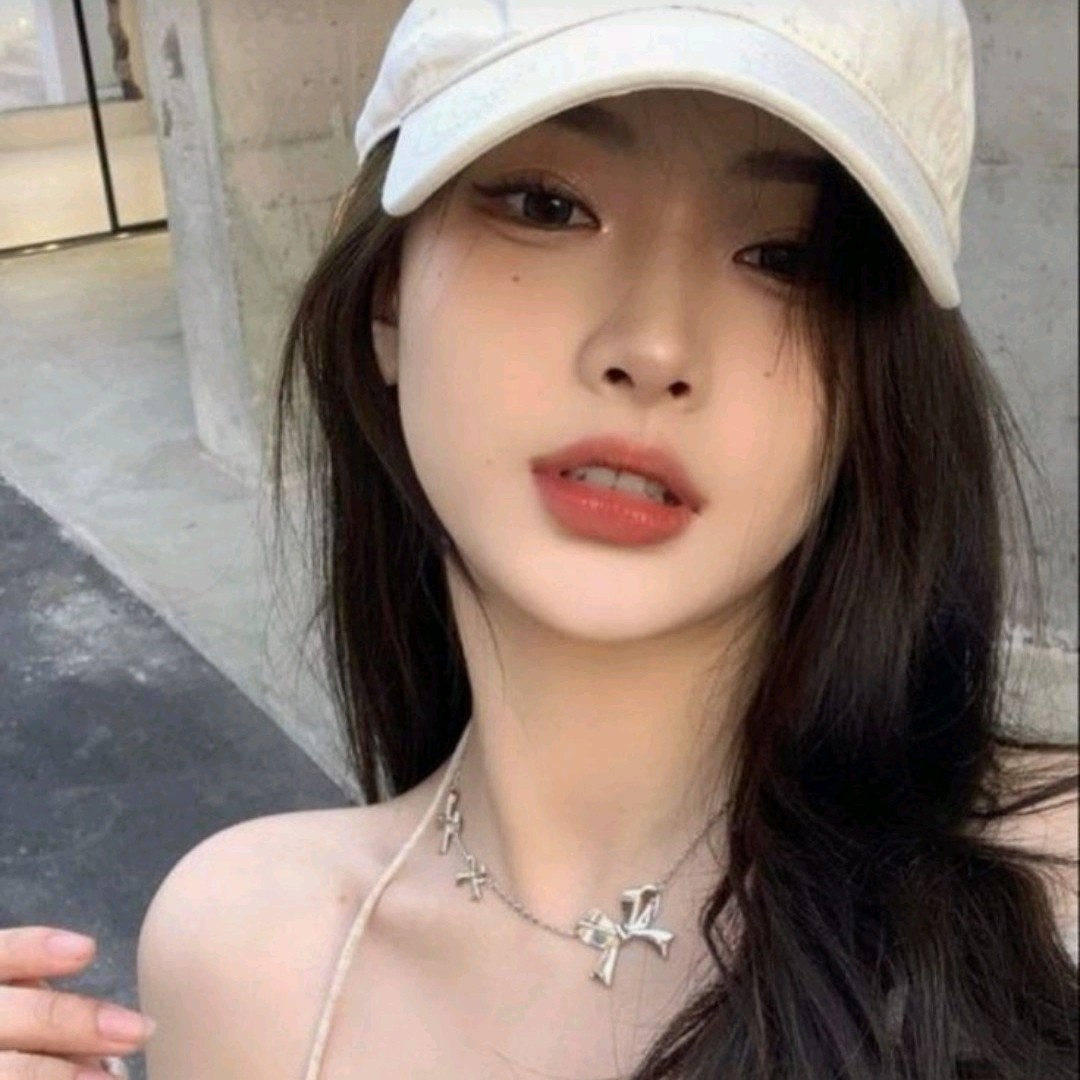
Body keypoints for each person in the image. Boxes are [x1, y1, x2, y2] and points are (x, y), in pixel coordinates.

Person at [2, 1, 1077, 1077]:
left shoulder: (1047, 914)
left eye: (784, 257)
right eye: (546, 205)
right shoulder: (243, 954)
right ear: (387, 299)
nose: (652, 345)